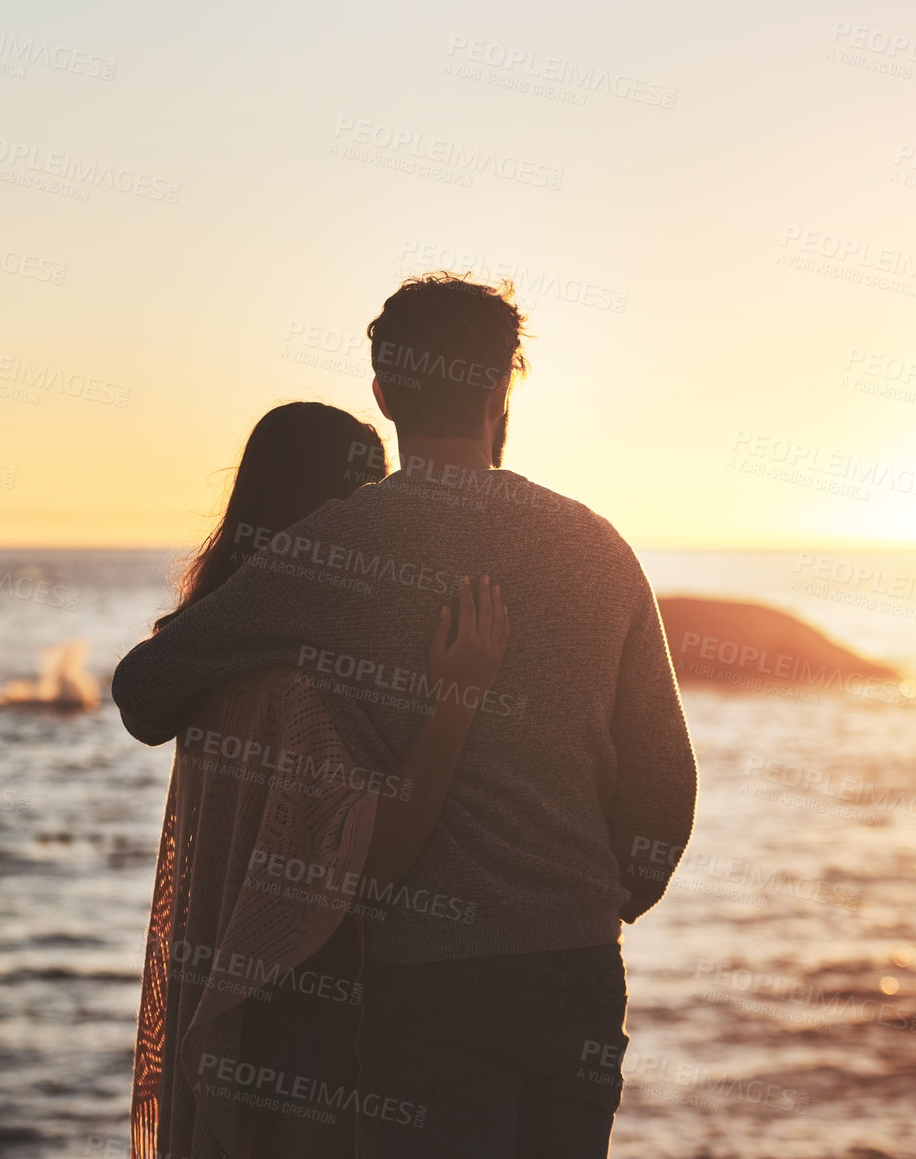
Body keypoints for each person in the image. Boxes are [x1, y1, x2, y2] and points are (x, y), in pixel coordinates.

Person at [116, 273, 699, 1158]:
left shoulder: (336, 547)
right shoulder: (599, 547)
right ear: (504, 386)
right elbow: (665, 785)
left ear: (384, 392)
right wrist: (598, 906)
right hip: (579, 973)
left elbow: (146, 690)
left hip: (426, 983)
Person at [130, 400, 511, 1159]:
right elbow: (376, 855)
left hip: (241, 1004)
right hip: (303, 1014)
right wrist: (458, 702)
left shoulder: (209, 655)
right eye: (363, 499)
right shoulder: (300, 682)